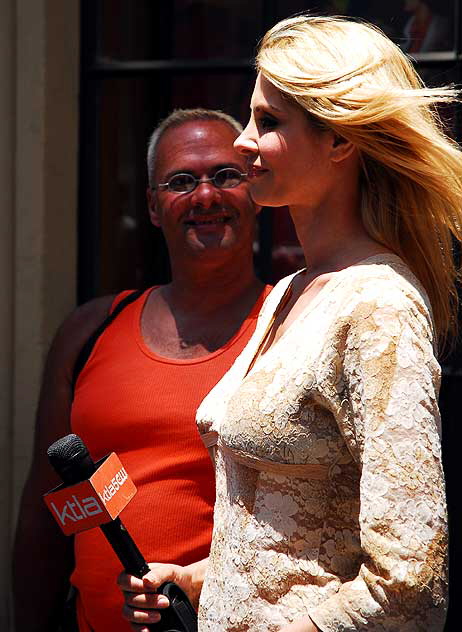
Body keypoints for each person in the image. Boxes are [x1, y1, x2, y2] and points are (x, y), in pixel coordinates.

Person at [119, 14, 461, 632]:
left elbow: (411, 586)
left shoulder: (378, 306)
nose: (243, 142)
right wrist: (197, 582)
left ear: (340, 140)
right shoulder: (288, 293)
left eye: (269, 122)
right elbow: (287, 544)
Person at [12, 108, 271, 632]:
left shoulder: (293, 325)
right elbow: (44, 519)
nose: (205, 197)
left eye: (225, 175)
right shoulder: (90, 331)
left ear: (256, 193)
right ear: (153, 207)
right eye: (181, 182)